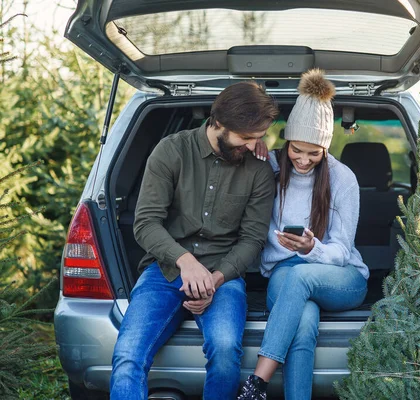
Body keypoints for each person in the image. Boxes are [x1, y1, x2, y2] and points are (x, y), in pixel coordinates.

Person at [110, 81, 279, 400]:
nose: (256, 145)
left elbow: (253, 240)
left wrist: (213, 280)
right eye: (247, 137)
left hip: (223, 277)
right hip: (165, 271)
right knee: (128, 356)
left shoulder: (257, 172)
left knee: (226, 352)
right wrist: (185, 263)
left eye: (258, 136)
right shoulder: (170, 151)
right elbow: (146, 223)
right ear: (219, 124)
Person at [237, 69, 369, 400]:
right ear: (287, 141)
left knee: (301, 279)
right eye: (297, 150)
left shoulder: (343, 179)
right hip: (283, 274)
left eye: (314, 153)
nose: (304, 161)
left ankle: (257, 383)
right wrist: (255, 144)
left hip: (342, 277)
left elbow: (341, 251)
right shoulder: (268, 166)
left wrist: (312, 248)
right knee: (305, 320)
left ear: (325, 149)